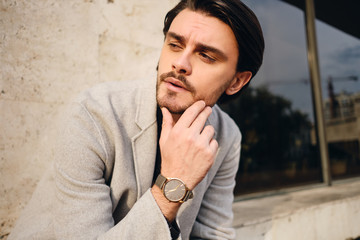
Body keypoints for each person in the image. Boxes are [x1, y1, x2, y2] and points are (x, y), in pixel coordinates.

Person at [9, 0, 264, 239]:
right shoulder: (94, 115)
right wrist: (173, 184)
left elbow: (211, 233)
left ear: (237, 81)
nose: (180, 63)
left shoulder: (226, 136)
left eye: (206, 55)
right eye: (174, 45)